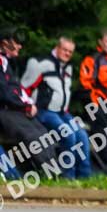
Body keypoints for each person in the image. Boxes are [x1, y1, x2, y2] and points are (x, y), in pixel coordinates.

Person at [21, 37, 92, 179]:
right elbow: (23, 88)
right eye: (65, 50)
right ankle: (68, 177)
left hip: (62, 113)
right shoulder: (39, 63)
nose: (67, 54)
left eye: (70, 52)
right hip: (43, 111)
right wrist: (28, 106)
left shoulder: (68, 67)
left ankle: (85, 177)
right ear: (57, 48)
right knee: (68, 134)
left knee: (82, 136)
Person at [0, 27, 57, 169]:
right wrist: (25, 106)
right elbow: (4, 92)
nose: (20, 46)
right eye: (16, 42)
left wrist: (29, 104)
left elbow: (16, 88)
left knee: (42, 131)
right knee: (32, 135)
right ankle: (50, 172)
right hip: (4, 110)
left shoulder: (8, 62)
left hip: (12, 108)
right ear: (4, 43)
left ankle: (53, 171)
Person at [79, 29, 107, 180]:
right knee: (105, 138)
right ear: (101, 42)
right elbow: (85, 85)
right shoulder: (92, 60)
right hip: (97, 105)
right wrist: (96, 105)